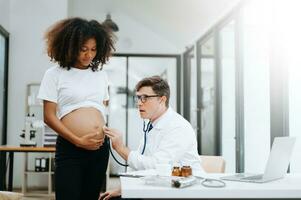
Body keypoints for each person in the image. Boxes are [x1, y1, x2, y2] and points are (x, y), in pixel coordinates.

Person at [38, 17, 115, 200]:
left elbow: (101, 108)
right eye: (83, 49)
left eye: (93, 49)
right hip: (71, 148)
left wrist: (98, 132)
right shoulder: (54, 74)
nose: (89, 55)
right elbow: (49, 116)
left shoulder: (101, 75)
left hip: (99, 149)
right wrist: (78, 140)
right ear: (70, 46)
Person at [100, 76, 203, 200]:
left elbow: (156, 166)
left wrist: (121, 148)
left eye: (145, 98)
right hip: (157, 188)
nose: (139, 103)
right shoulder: (151, 124)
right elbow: (140, 159)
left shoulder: (178, 127)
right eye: (138, 97)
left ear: (162, 99)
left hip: (181, 192)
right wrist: (124, 189)